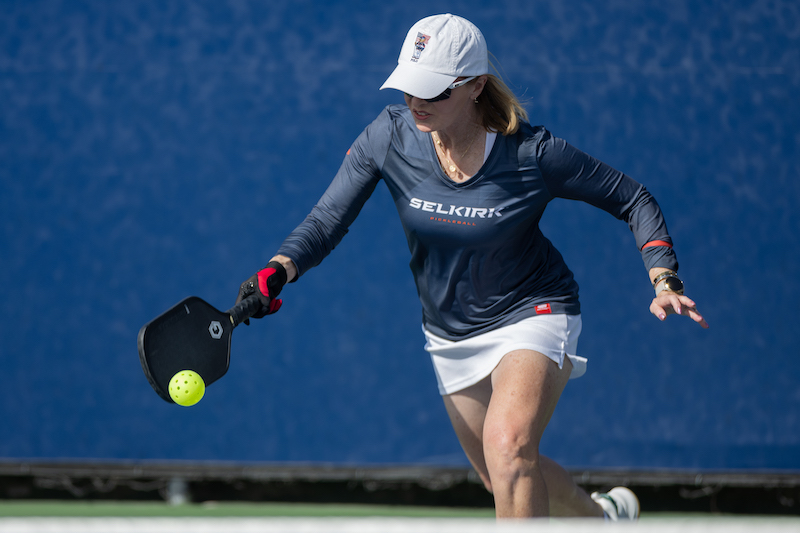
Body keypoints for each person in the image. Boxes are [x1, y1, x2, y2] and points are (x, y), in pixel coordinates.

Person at [236, 13, 708, 519]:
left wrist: (663, 277)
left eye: (433, 91)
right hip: (449, 331)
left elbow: (633, 198)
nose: (416, 102)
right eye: (408, 88)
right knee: (499, 470)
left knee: (508, 449)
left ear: (475, 86)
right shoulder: (389, 135)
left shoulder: (531, 153)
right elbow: (328, 218)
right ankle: (601, 519)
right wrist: (280, 268)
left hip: (533, 309)